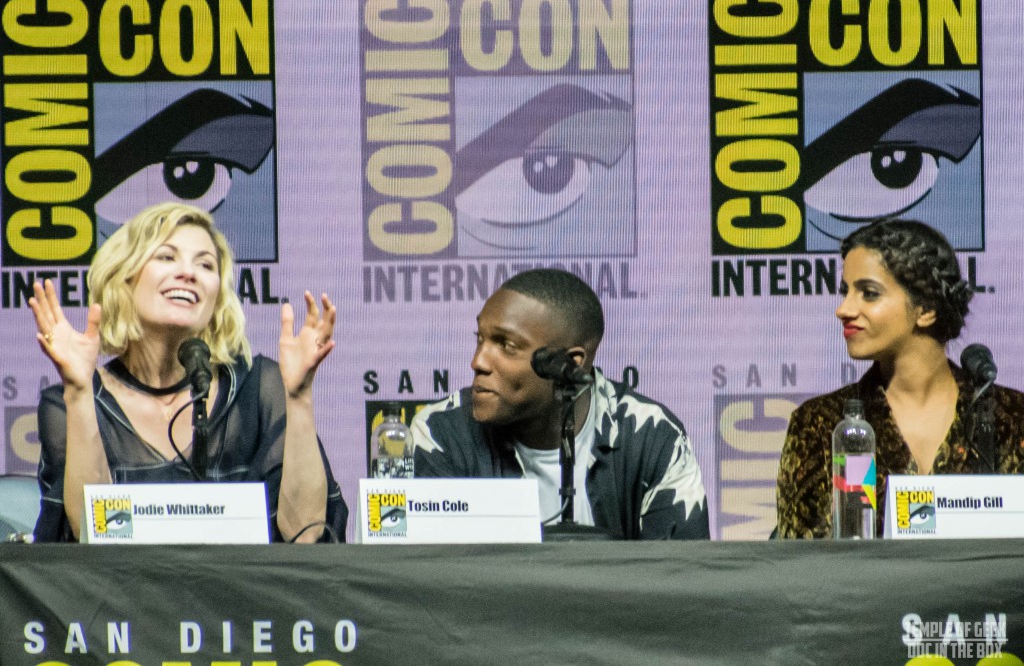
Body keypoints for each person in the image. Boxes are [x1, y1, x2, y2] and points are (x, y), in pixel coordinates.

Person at [30, 202, 347, 542]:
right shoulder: (71, 403)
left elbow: (306, 536)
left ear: (217, 296)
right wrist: (79, 392)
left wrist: (298, 397)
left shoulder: (259, 390)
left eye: (205, 264)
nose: (189, 273)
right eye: (167, 257)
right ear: (124, 278)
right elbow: (90, 539)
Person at [410, 268, 709, 540]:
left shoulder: (652, 437)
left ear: (571, 363)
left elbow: (680, 574)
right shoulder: (441, 433)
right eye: (480, 339)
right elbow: (429, 573)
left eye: (507, 346)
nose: (478, 362)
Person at [776, 219, 1024, 538]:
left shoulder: (1012, 417)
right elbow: (800, 561)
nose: (843, 309)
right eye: (845, 292)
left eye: (868, 293)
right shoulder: (820, 424)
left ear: (926, 308)